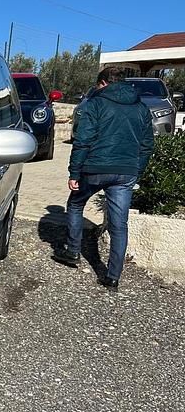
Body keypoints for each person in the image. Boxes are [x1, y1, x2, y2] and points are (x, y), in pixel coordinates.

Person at [53, 66, 154, 289]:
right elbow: (147, 146)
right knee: (120, 224)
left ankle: (72, 251)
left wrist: (74, 173)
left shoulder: (95, 104)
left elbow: (83, 141)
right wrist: (137, 171)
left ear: (104, 83)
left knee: (76, 203)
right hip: (126, 172)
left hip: (95, 168)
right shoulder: (141, 108)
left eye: (98, 85)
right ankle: (112, 277)